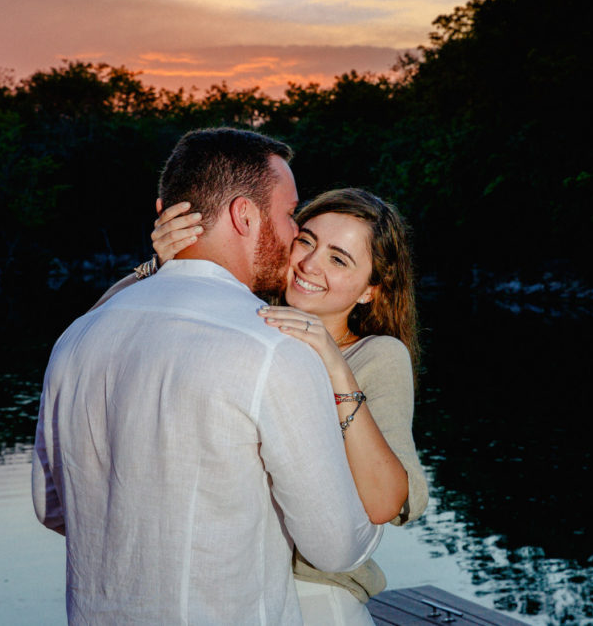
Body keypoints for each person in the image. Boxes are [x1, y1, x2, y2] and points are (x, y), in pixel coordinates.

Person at [32, 128, 381, 625]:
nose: (292, 236)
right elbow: (337, 548)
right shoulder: (274, 349)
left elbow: (51, 508)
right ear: (245, 215)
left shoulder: (77, 338)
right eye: (289, 215)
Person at [135, 187, 428, 625]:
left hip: (313, 595)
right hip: (220, 590)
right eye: (306, 240)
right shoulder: (241, 323)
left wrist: (334, 366)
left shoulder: (377, 356)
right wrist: (165, 271)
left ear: (370, 291)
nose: (310, 264)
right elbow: (103, 351)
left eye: (339, 259)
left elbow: (387, 501)